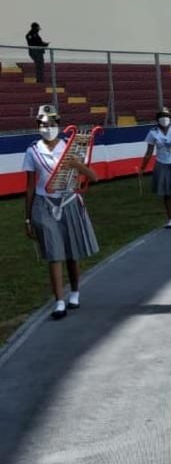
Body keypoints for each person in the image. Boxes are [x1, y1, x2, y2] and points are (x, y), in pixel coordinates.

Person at [22, 107, 100, 320]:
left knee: (72, 252)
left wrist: (76, 164)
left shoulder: (71, 147)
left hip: (69, 202)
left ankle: (74, 291)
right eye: (43, 125)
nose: (47, 128)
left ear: (58, 123)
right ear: (38, 126)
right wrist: (27, 218)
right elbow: (29, 186)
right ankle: (58, 301)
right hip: (44, 204)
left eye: (51, 124)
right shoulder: (32, 150)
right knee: (54, 254)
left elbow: (93, 177)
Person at [138, 108, 171, 228]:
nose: (164, 118)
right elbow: (149, 152)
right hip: (161, 163)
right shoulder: (153, 132)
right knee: (166, 193)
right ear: (157, 119)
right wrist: (142, 168)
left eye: (166, 115)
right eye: (161, 116)